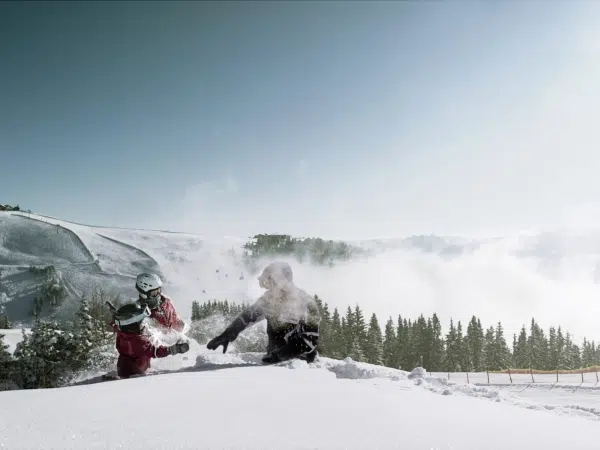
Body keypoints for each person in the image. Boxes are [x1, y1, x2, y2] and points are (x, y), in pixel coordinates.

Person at [206, 261, 321, 364]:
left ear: (282, 282)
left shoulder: (306, 303)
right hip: (272, 363)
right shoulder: (269, 300)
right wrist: (228, 334)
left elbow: (310, 341)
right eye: (267, 284)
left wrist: (280, 355)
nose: (268, 288)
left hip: (300, 366)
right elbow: (247, 316)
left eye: (271, 283)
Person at [111, 302, 190, 379]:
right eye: (141, 323)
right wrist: (173, 349)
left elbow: (117, 325)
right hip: (135, 375)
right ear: (131, 326)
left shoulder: (122, 333)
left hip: (123, 368)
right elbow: (155, 352)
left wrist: (116, 317)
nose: (144, 325)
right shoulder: (137, 342)